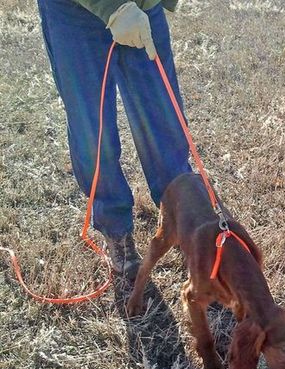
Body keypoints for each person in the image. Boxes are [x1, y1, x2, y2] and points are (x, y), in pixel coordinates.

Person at [37, 0, 192, 279]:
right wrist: (113, 7)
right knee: (93, 129)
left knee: (162, 114)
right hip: (73, 13)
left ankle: (183, 215)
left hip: (144, 7)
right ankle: (115, 228)